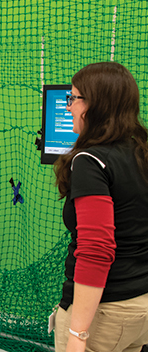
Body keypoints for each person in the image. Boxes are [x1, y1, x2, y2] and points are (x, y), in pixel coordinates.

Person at [53, 62, 148, 352]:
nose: (68, 107)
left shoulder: (91, 161)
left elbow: (96, 249)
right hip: (140, 308)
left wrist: (77, 335)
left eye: (74, 98)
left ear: (97, 105)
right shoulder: (140, 151)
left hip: (105, 313)